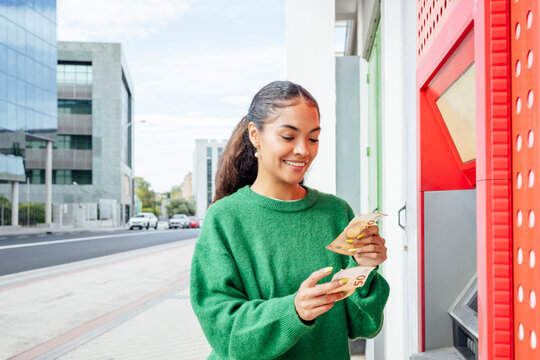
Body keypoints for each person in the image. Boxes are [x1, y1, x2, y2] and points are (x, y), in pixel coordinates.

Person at [190, 80, 389, 360]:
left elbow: (364, 325)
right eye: (288, 136)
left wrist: (364, 268)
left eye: (313, 138)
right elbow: (222, 329)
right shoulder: (225, 219)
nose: (303, 151)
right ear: (255, 135)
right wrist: (293, 311)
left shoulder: (336, 212)